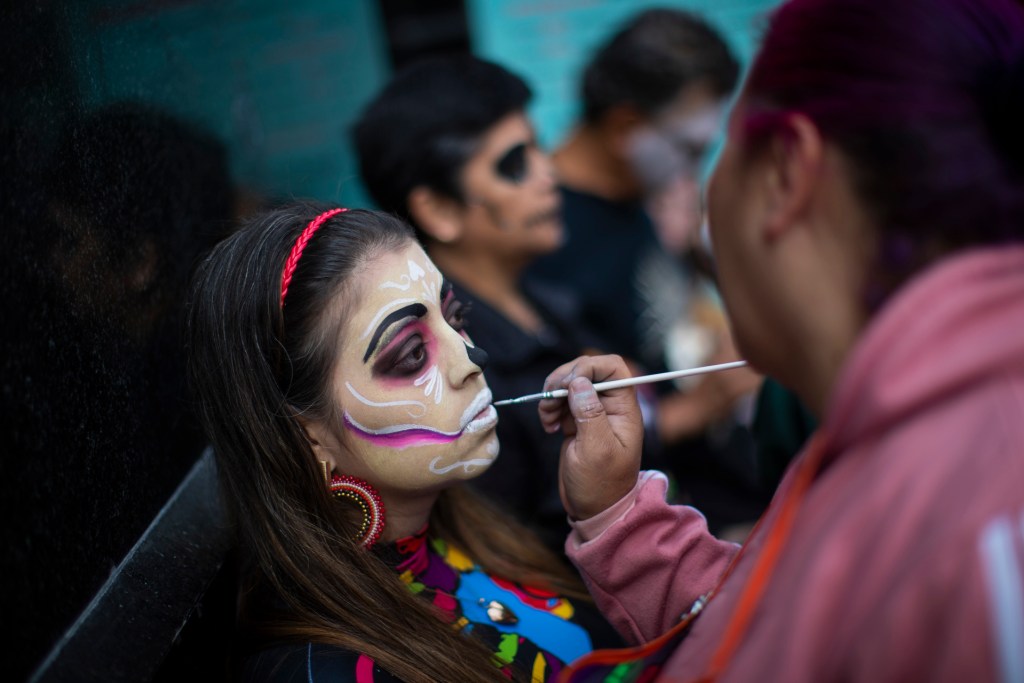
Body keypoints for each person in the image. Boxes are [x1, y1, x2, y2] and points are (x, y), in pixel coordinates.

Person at [538, 0, 1024, 680]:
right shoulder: (882, 436)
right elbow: (772, 628)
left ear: (787, 172)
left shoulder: (987, 540)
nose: (699, 184)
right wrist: (622, 520)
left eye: (720, 150)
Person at [186, 203, 620, 682]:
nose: (472, 359)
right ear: (306, 435)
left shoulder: (468, 524)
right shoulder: (325, 672)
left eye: (454, 317)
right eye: (412, 354)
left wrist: (612, 514)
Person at [352, 55, 651, 552]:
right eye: (514, 164)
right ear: (441, 210)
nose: (548, 174)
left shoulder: (545, 300)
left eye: (539, 148)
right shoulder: (463, 374)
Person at [528, 8, 767, 536]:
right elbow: (571, 417)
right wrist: (705, 403)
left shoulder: (642, 199)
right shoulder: (544, 238)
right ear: (626, 127)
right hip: (663, 519)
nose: (697, 166)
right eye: (689, 148)